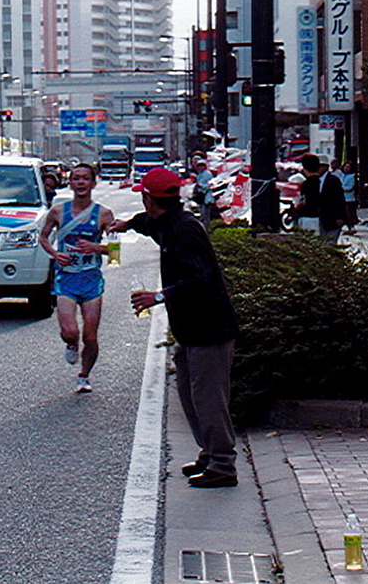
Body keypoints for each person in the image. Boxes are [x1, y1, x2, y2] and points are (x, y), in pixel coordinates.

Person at [109, 167, 239, 488]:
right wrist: (127, 224)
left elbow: (201, 277)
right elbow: (147, 223)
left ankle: (223, 464)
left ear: (149, 199)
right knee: (189, 394)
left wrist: (159, 295)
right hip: (190, 329)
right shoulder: (166, 222)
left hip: (210, 329)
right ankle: (209, 453)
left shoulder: (185, 230)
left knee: (208, 398)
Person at [40, 163, 115, 393]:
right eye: (76, 178)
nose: (81, 182)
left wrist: (96, 247)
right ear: (70, 183)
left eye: (85, 178)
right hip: (66, 279)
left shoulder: (104, 214)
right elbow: (43, 238)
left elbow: (116, 252)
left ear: (93, 183)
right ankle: (72, 344)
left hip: (91, 280)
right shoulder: (57, 212)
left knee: (90, 337)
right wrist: (55, 255)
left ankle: (84, 375)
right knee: (70, 332)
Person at [318, 156, 346, 243]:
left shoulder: (333, 180)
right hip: (319, 218)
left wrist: (340, 216)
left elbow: (339, 199)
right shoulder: (314, 180)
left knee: (330, 242)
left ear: (325, 167)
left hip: (332, 219)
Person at [296, 154, 321, 232]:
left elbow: (303, 202)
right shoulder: (323, 181)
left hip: (307, 216)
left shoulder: (306, 184)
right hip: (321, 217)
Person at [342, 161, 358, 234]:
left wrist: (342, 188)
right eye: (345, 167)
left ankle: (351, 227)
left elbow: (350, 187)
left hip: (349, 198)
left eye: (348, 167)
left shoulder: (352, 176)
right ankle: (348, 228)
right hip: (342, 198)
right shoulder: (342, 175)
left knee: (349, 213)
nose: (346, 168)